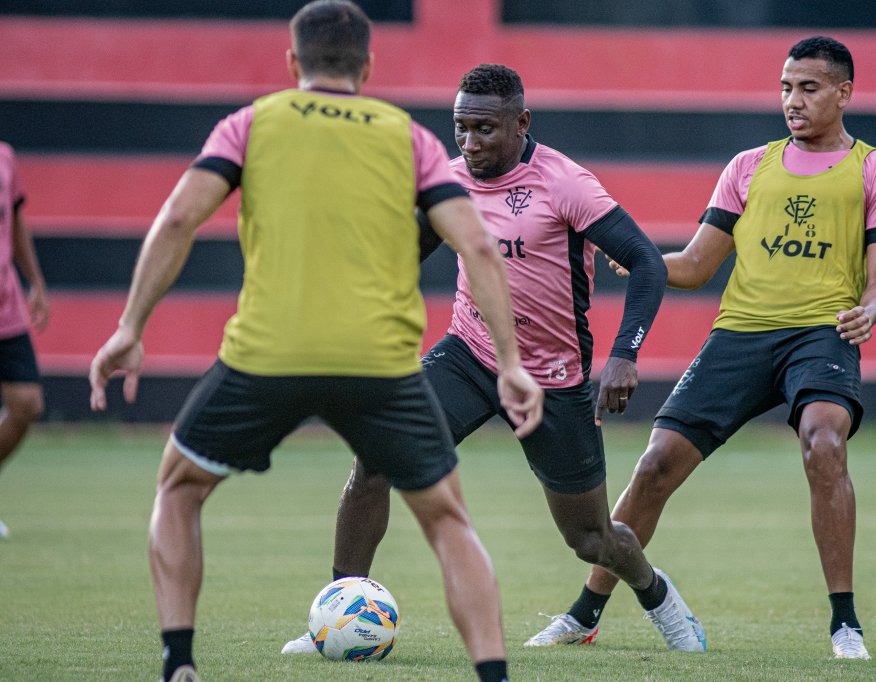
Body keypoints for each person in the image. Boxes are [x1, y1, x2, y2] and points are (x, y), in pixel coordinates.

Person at [88, 4, 544, 682]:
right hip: (377, 362)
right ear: (367, 68)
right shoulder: (410, 139)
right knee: (447, 521)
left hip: (268, 353)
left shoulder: (251, 124)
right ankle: (493, 676)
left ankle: (179, 662)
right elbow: (477, 246)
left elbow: (180, 217)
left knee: (179, 489)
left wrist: (130, 326)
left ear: (293, 63)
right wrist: (509, 363)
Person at [282, 63, 707, 655]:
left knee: (589, 538)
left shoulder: (566, 184)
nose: (469, 142)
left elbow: (647, 262)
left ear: (521, 122)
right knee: (375, 458)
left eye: (484, 129)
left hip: (552, 378)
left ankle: (656, 594)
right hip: (471, 355)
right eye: (460, 127)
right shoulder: (448, 181)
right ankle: (334, 614)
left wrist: (623, 355)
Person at [526, 36, 876, 660]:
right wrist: (645, 261)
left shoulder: (875, 171)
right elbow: (698, 264)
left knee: (824, 443)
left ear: (844, 93)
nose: (793, 100)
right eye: (786, 87)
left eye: (808, 88)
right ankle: (584, 613)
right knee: (655, 465)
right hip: (740, 334)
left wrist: (872, 307)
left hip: (821, 334)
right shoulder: (748, 166)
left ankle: (845, 624)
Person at [0, 141, 49, 539]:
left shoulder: (5, 157)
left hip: (6, 306)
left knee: (27, 403)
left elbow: (14, 221)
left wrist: (35, 281)